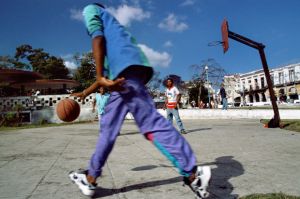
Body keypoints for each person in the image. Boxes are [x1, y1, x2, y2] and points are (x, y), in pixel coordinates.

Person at [69, 3, 211, 199]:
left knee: (150, 125)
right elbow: (103, 80)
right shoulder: (115, 28)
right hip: (131, 72)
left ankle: (194, 174)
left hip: (125, 74)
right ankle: (91, 177)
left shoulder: (91, 9)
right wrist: (85, 92)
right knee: (110, 128)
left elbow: (97, 37)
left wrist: (100, 75)